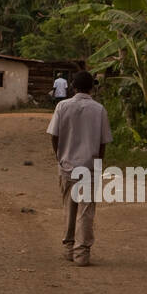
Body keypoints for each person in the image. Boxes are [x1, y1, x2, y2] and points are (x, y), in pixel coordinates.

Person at [47, 70, 111, 266]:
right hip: (90, 168)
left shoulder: (62, 106)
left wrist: (59, 156)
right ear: (92, 87)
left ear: (72, 86)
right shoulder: (99, 109)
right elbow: (103, 142)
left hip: (67, 166)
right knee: (86, 211)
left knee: (69, 207)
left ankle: (68, 248)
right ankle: (82, 253)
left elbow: (54, 135)